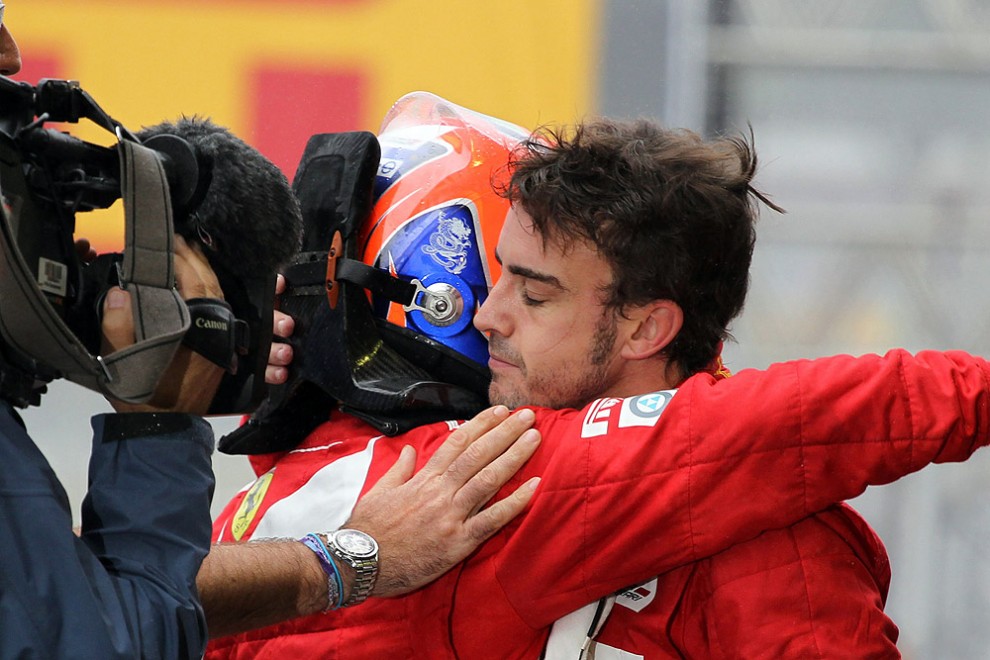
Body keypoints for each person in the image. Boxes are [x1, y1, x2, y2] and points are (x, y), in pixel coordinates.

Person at [206, 94, 990, 658]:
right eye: (493, 280)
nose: (487, 316)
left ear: (649, 325)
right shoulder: (446, 470)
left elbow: (783, 424)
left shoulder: (764, 528)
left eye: (533, 293)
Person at [0, 15, 542, 654]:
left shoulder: (283, 492)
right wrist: (158, 422)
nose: (10, 51)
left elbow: (82, 603)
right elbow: (101, 638)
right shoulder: (518, 469)